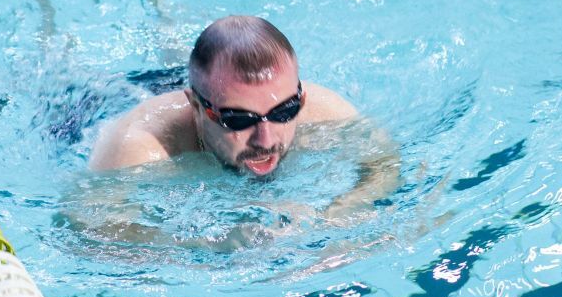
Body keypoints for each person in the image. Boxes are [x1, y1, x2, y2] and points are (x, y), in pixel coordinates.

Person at [89, 15, 362, 177]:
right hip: (105, 103)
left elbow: (385, 167)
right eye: (238, 119)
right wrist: (209, 248)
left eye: (283, 112)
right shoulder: (136, 149)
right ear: (195, 106)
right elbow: (87, 236)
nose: (265, 139)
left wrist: (331, 218)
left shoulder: (325, 110)